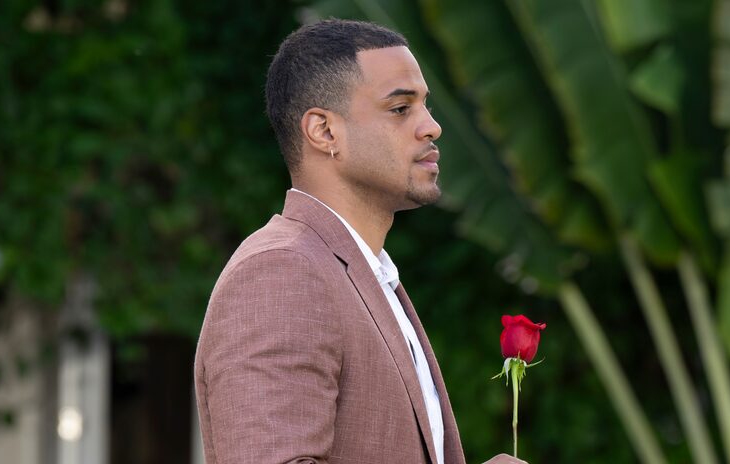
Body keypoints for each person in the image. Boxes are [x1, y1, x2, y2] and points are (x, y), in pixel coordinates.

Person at [194, 18, 526, 464]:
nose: (432, 127)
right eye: (400, 108)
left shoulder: (365, 275)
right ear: (324, 131)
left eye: (425, 106)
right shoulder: (282, 272)